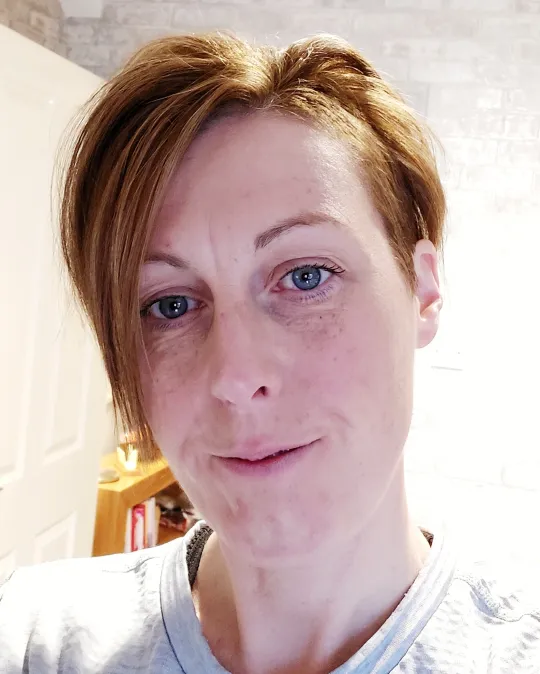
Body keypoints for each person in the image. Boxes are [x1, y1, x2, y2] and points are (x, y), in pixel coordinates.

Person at [1, 31, 538, 674]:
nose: (236, 376)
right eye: (169, 305)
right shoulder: (35, 642)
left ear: (422, 290)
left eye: (306, 277)